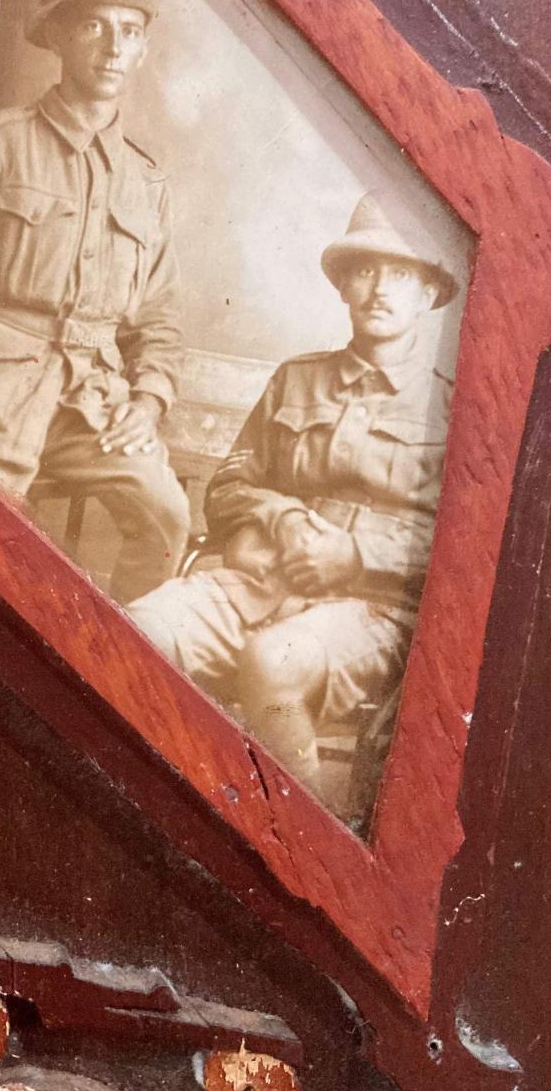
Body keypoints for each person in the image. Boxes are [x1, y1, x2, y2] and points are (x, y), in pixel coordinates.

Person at [127, 193, 459, 813]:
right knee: (130, 634)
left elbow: (457, 550)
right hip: (258, 579)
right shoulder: (297, 378)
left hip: (372, 612)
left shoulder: (453, 409)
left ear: (428, 292)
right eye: (365, 269)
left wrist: (354, 555)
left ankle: (307, 831)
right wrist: (277, 515)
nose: (381, 288)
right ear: (342, 285)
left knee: (270, 663)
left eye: (403, 272)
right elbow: (226, 488)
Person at [0, 0, 190, 604]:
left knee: (168, 520)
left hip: (89, 405)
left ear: (142, 51)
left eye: (129, 31)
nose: (111, 47)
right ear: (63, 37)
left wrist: (148, 400)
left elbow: (158, 316)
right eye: (94, 26)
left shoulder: (146, 179)